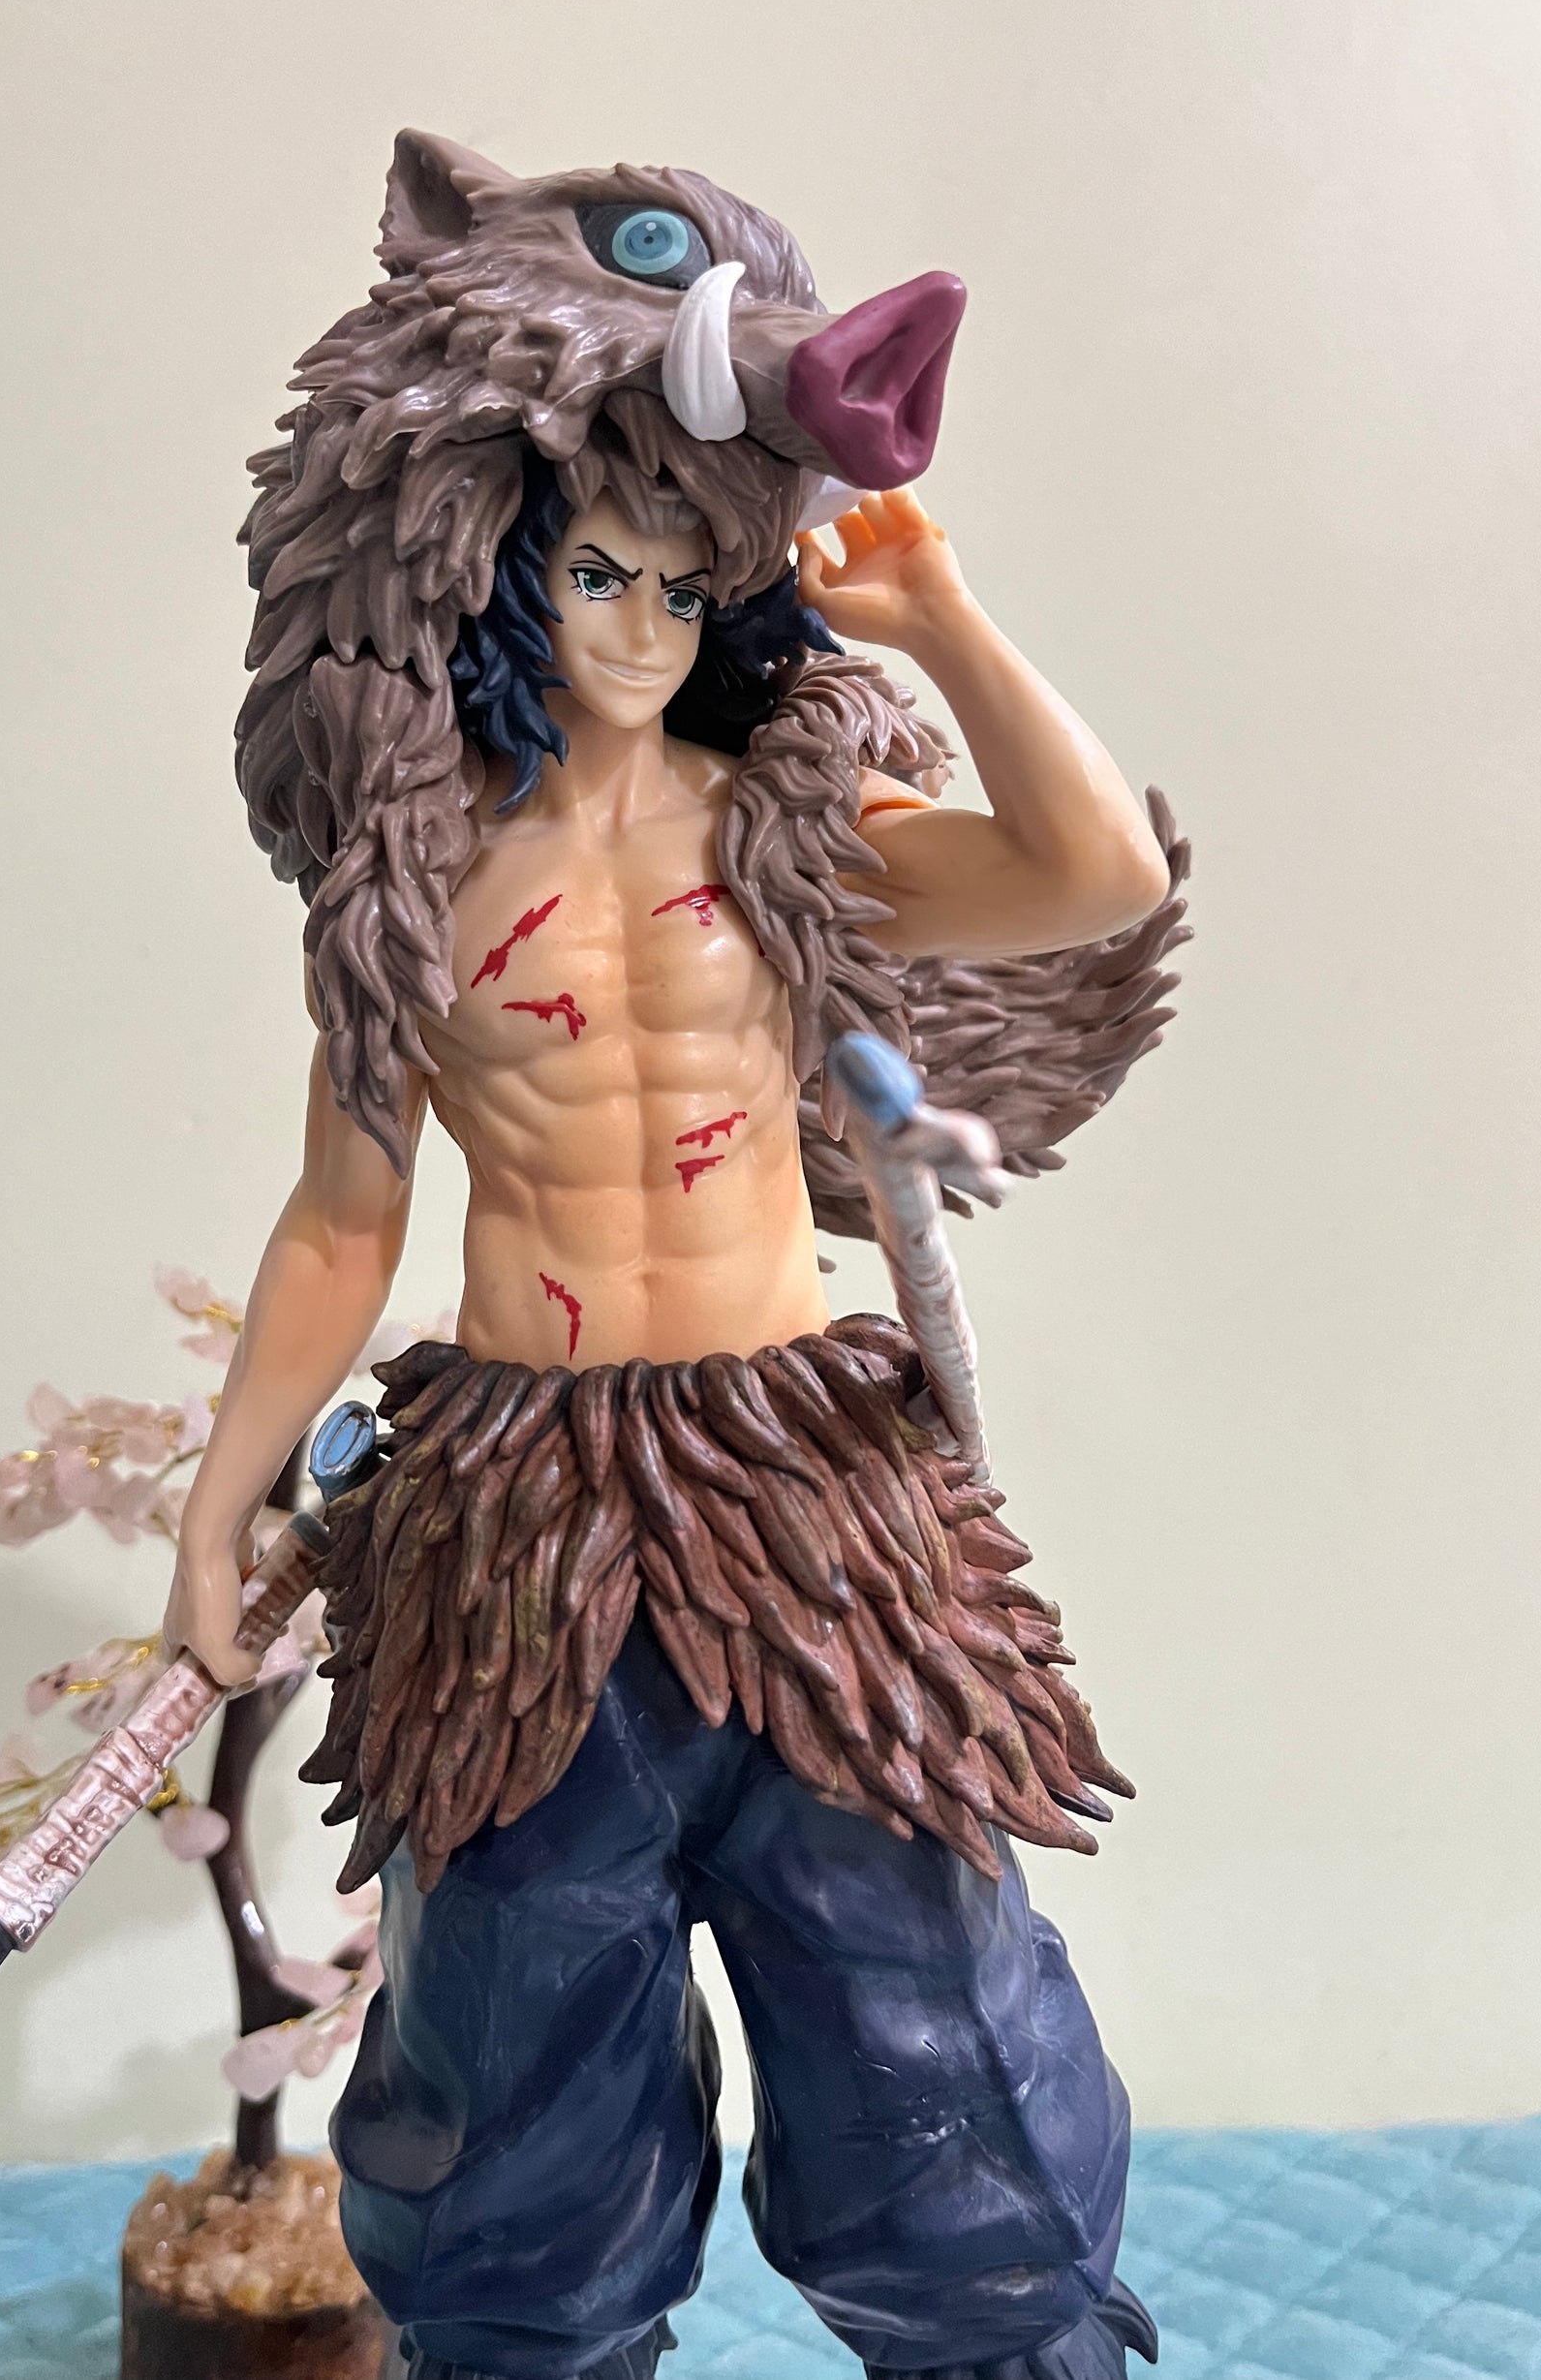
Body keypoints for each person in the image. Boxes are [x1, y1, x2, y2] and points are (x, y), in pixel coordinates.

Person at [164, 133, 1177, 2380]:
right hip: (515, 1511)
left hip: (803, 1496)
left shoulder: (792, 831)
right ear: (497, 568)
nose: (637, 627)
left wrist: (938, 618)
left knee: (937, 2059)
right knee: (505, 2092)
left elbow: (1093, 871)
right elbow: (347, 1210)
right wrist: (222, 1495)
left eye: (683, 583)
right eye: (595, 573)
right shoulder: (411, 876)